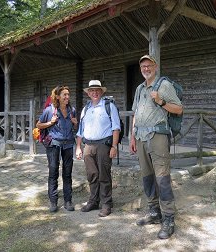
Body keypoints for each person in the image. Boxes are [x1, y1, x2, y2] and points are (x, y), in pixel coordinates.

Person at [129, 55, 183, 239]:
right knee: (147, 177)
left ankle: (168, 219)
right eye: (143, 66)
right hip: (141, 136)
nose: (146, 69)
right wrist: (132, 136)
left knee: (162, 178)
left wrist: (161, 101)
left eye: (149, 65)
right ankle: (153, 212)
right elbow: (135, 113)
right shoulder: (139, 89)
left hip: (158, 136)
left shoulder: (164, 85)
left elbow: (179, 109)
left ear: (155, 66)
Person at [75, 80, 121, 218]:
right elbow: (80, 130)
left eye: (97, 90)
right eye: (92, 90)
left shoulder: (109, 106)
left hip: (103, 145)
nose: (94, 92)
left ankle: (106, 203)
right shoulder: (85, 109)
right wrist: (78, 147)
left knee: (104, 175)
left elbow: (116, 127)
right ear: (88, 93)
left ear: (101, 92)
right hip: (88, 145)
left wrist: (114, 146)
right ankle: (93, 201)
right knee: (92, 174)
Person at [36, 85, 78, 213]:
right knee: (53, 172)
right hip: (54, 144)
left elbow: (76, 128)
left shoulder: (72, 110)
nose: (67, 97)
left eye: (68, 95)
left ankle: (67, 201)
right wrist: (50, 123)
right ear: (58, 97)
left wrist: (75, 122)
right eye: (64, 95)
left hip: (69, 144)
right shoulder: (50, 110)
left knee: (67, 173)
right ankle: (53, 202)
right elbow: (38, 125)